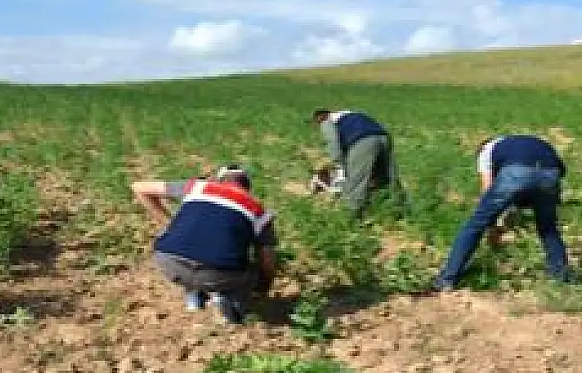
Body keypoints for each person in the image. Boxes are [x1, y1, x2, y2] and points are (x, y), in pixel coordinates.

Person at [131, 165, 277, 324]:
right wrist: (263, 287)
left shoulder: (197, 187)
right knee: (252, 269)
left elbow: (139, 188)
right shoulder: (259, 211)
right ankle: (228, 302)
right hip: (220, 275)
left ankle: (194, 298)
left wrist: (170, 225)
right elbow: (267, 262)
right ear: (247, 187)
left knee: (193, 246)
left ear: (218, 180)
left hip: (169, 263)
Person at [432, 134, 570, 291]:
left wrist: (492, 228)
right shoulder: (522, 143)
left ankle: (447, 278)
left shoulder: (485, 151)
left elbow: (487, 190)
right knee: (548, 228)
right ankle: (561, 276)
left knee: (475, 224)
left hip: (517, 173)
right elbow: (559, 170)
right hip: (551, 173)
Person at [310, 108, 404, 218]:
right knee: (389, 176)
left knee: (356, 182)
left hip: (362, 141)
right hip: (384, 137)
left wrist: (339, 162)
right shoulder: (353, 114)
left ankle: (354, 217)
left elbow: (332, 141)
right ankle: (400, 209)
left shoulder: (326, 121)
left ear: (320, 117)